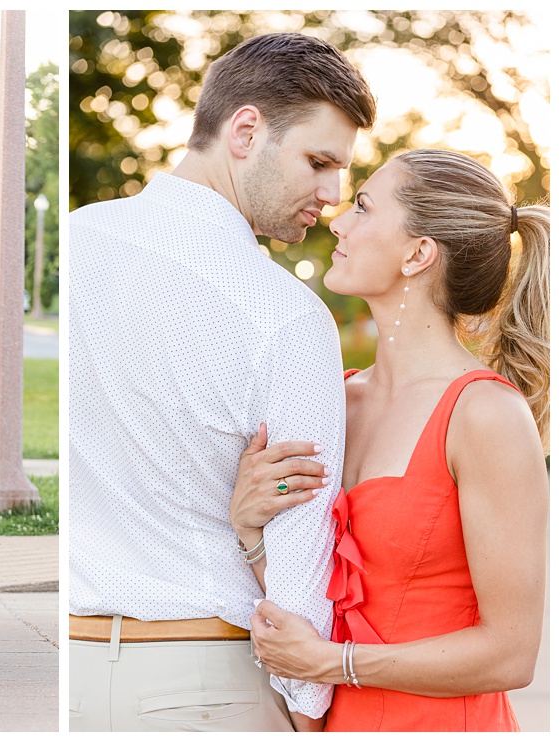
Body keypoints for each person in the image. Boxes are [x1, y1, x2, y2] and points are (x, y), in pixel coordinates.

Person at [68, 32, 376, 731]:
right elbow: (300, 544)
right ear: (244, 131)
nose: (331, 194)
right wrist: (308, 708)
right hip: (207, 678)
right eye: (319, 161)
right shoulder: (284, 311)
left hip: (73, 676)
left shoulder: (76, 238)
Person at [234, 149, 549, 731]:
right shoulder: (335, 398)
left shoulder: (485, 414)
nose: (338, 220)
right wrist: (251, 530)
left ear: (418, 253)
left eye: (362, 206)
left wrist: (335, 663)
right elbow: (307, 599)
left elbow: (511, 653)